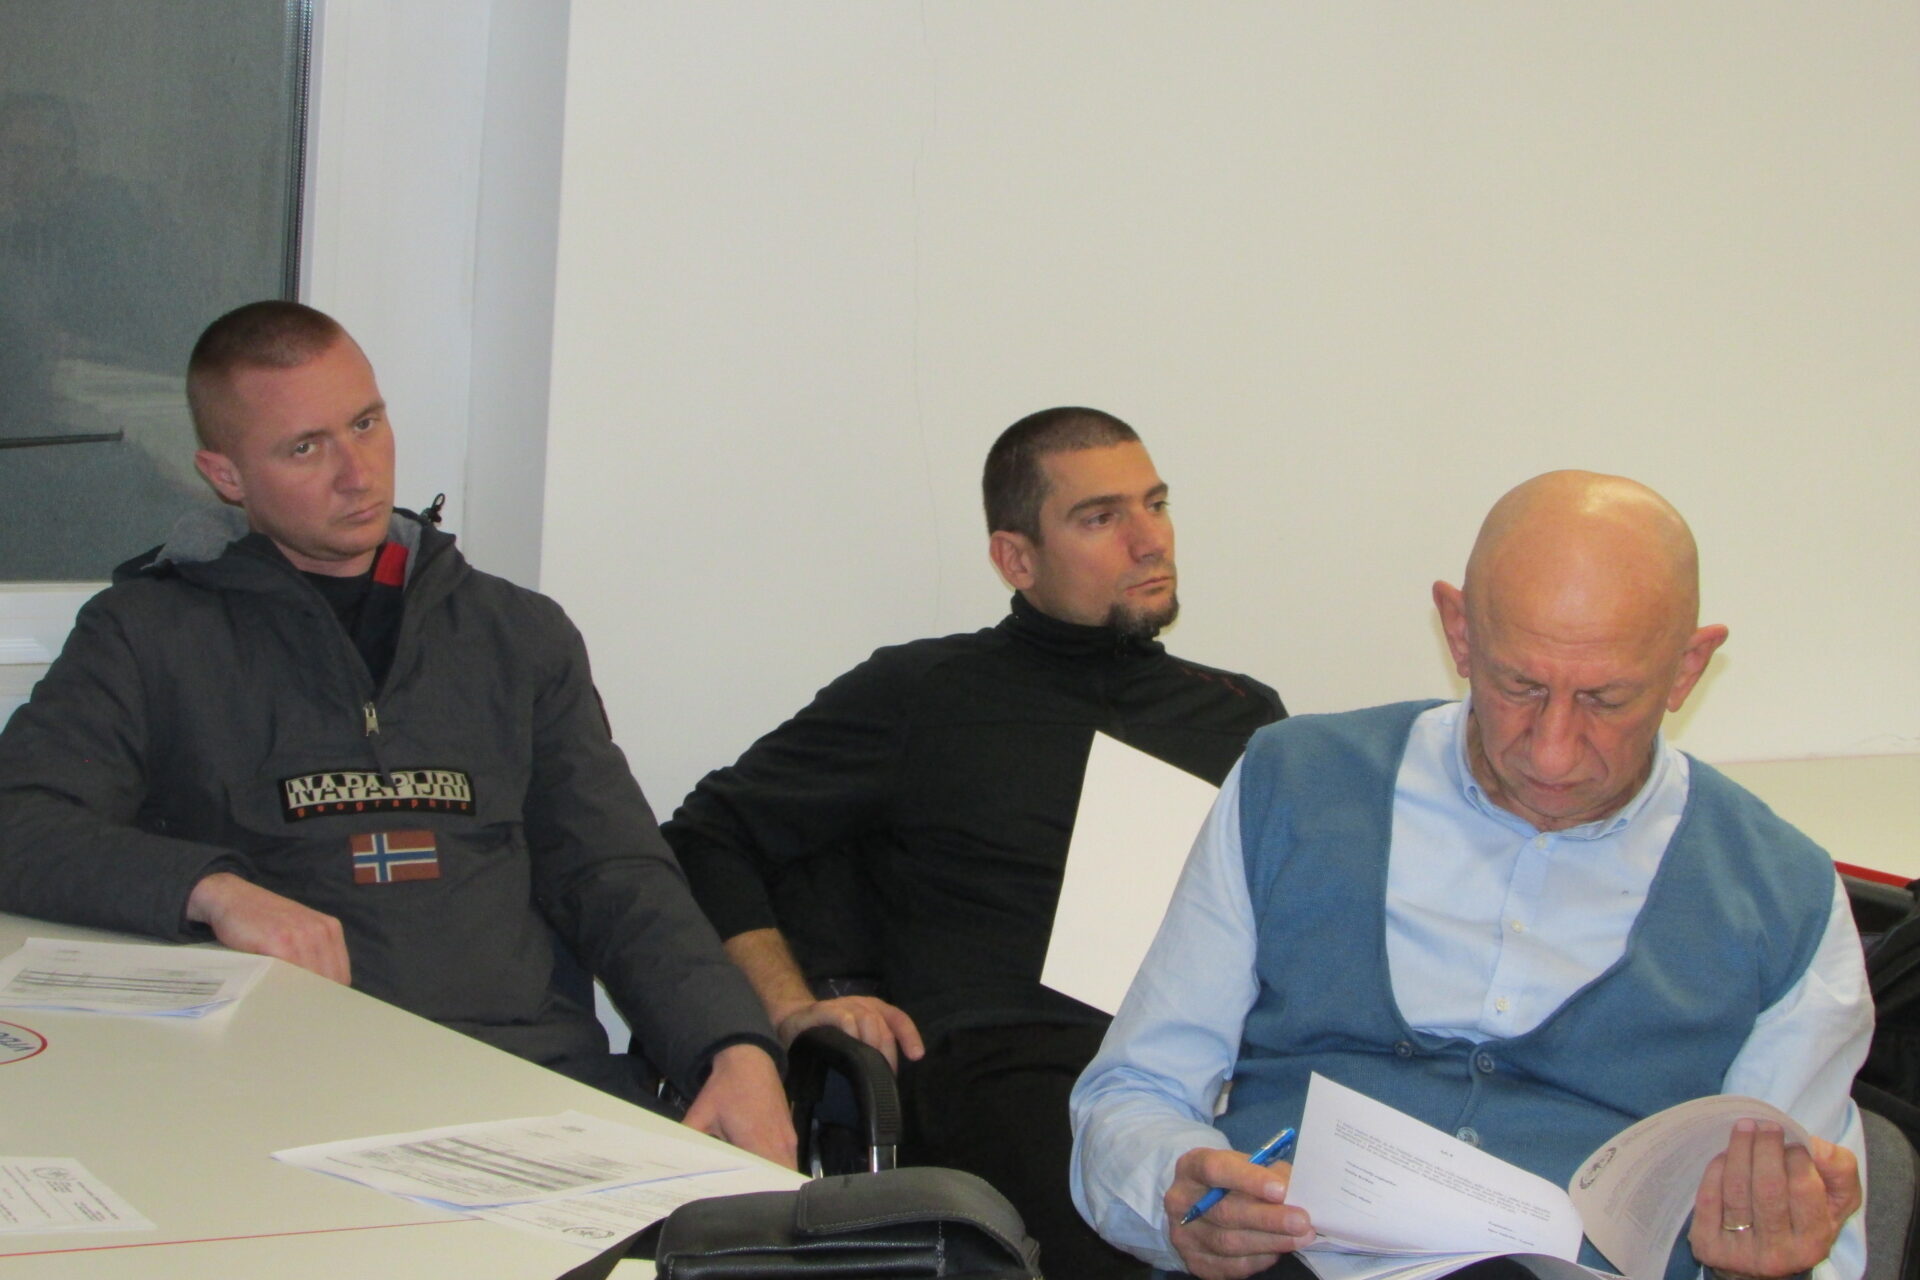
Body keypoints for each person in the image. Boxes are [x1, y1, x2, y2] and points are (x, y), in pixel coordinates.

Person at [0, 300, 794, 1166]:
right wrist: (213, 889)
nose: (358, 474)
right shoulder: (148, 633)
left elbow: (615, 873)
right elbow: (20, 822)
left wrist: (731, 1043)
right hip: (281, 1104)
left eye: (366, 423)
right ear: (226, 475)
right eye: (305, 448)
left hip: (531, 1091)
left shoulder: (515, 634)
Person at [1070, 470, 1871, 1280]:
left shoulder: (1785, 898)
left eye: (1605, 700)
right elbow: (1134, 1092)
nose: (1552, 752)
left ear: (1687, 668)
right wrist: (1177, 1192)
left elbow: (1815, 1235)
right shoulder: (1295, 784)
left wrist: (1764, 1265)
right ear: (1459, 632)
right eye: (1520, 686)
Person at [664, 406, 1285, 1277]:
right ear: (1015, 559)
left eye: (1155, 504)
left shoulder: (1242, 715)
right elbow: (707, 835)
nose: (1150, 541)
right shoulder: (926, 693)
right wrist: (792, 1006)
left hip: (1208, 1062)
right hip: (1014, 1064)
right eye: (1101, 518)